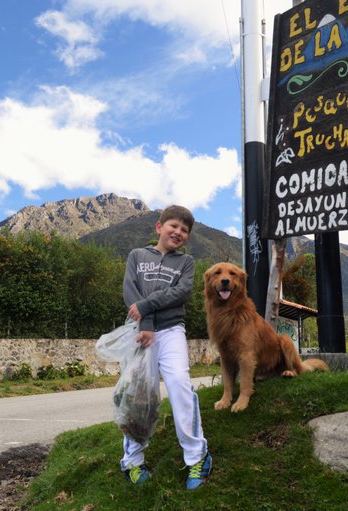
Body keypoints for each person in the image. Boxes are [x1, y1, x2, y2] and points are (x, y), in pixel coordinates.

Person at [120, 205, 212, 490]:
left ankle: (198, 457)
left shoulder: (186, 263)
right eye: (174, 226)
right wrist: (146, 321)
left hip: (172, 330)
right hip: (139, 331)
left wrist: (147, 306)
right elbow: (129, 290)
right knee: (137, 395)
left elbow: (181, 293)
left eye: (185, 230)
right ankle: (132, 462)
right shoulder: (137, 255)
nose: (179, 232)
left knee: (179, 385)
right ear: (159, 227)